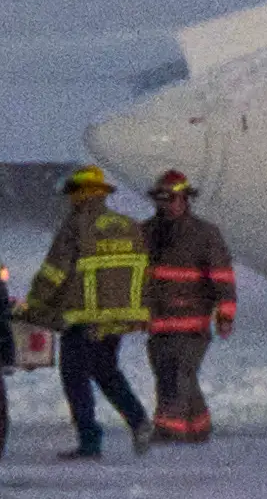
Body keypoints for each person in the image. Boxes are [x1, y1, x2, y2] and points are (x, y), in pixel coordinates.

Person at [19, 165, 154, 459]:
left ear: (80, 195)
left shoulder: (76, 226)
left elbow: (54, 273)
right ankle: (139, 421)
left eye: (73, 194)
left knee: (75, 377)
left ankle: (90, 442)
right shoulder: (129, 226)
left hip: (83, 318)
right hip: (118, 318)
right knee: (106, 371)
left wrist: (34, 305)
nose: (71, 200)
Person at [142, 168, 236, 443]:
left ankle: (168, 431)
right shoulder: (145, 233)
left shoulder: (205, 234)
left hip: (192, 322)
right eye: (161, 199)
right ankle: (198, 428)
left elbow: (223, 278)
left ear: (185, 199)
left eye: (172, 199)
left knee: (176, 375)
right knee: (171, 375)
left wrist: (225, 315)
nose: (166, 205)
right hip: (158, 323)